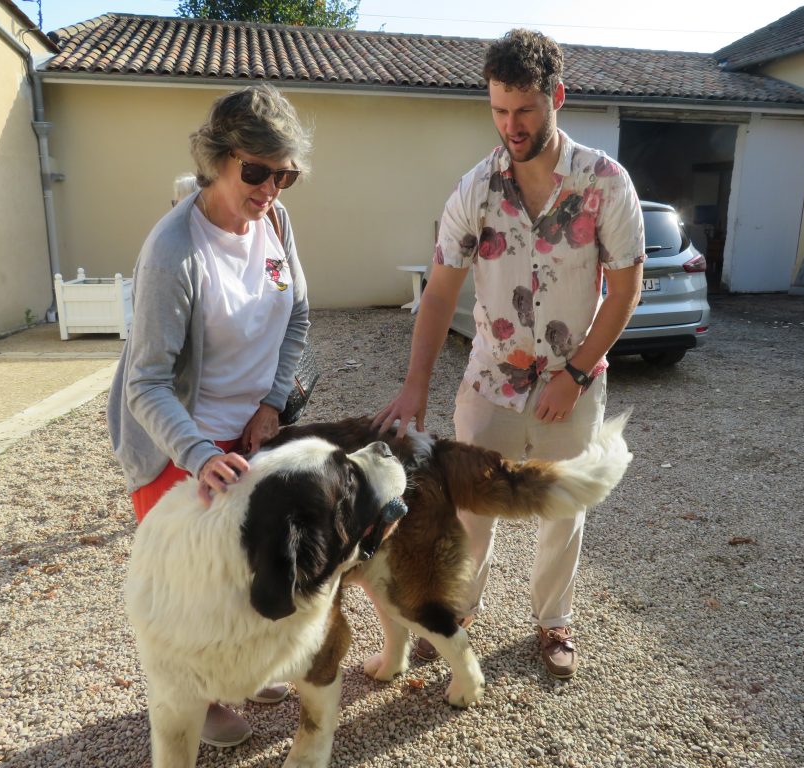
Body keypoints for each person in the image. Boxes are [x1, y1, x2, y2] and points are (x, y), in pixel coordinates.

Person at [373, 29, 645, 680]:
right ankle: (461, 617)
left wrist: (576, 373)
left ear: (557, 96)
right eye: (498, 109)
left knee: (564, 506)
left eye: (523, 110)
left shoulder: (606, 183)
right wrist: (415, 385)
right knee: (471, 509)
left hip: (570, 384)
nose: (510, 125)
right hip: (490, 384)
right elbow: (439, 294)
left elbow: (628, 287)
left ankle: (554, 622)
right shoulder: (476, 189)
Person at [107, 84, 311, 747]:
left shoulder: (275, 225)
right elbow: (146, 382)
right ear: (218, 159)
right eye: (256, 171)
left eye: (284, 174)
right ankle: (200, 697)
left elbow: (296, 314)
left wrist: (273, 402)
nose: (270, 188)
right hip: (179, 442)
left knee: (246, 571)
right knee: (193, 598)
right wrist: (198, 453)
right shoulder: (174, 253)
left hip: (249, 430)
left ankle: (236, 675)